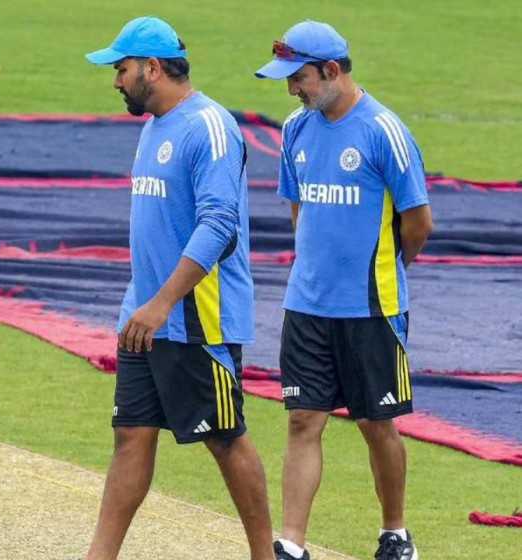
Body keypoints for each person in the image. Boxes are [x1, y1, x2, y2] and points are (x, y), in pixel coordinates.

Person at [83, 17, 275, 560]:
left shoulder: (209, 127)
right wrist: (137, 304)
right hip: (145, 314)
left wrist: (163, 301)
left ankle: (265, 555)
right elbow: (154, 229)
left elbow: (219, 227)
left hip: (196, 315)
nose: (116, 81)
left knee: (224, 435)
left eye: (121, 69)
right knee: (132, 434)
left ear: (152, 67)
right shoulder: (154, 126)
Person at [255, 20, 433, 560]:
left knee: (376, 423)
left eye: (300, 78)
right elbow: (297, 207)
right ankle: (292, 543)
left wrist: (381, 270)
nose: (292, 90)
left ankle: (396, 533)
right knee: (303, 419)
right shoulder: (295, 129)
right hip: (306, 305)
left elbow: (418, 222)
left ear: (331, 71)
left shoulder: (384, 131)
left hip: (372, 307)